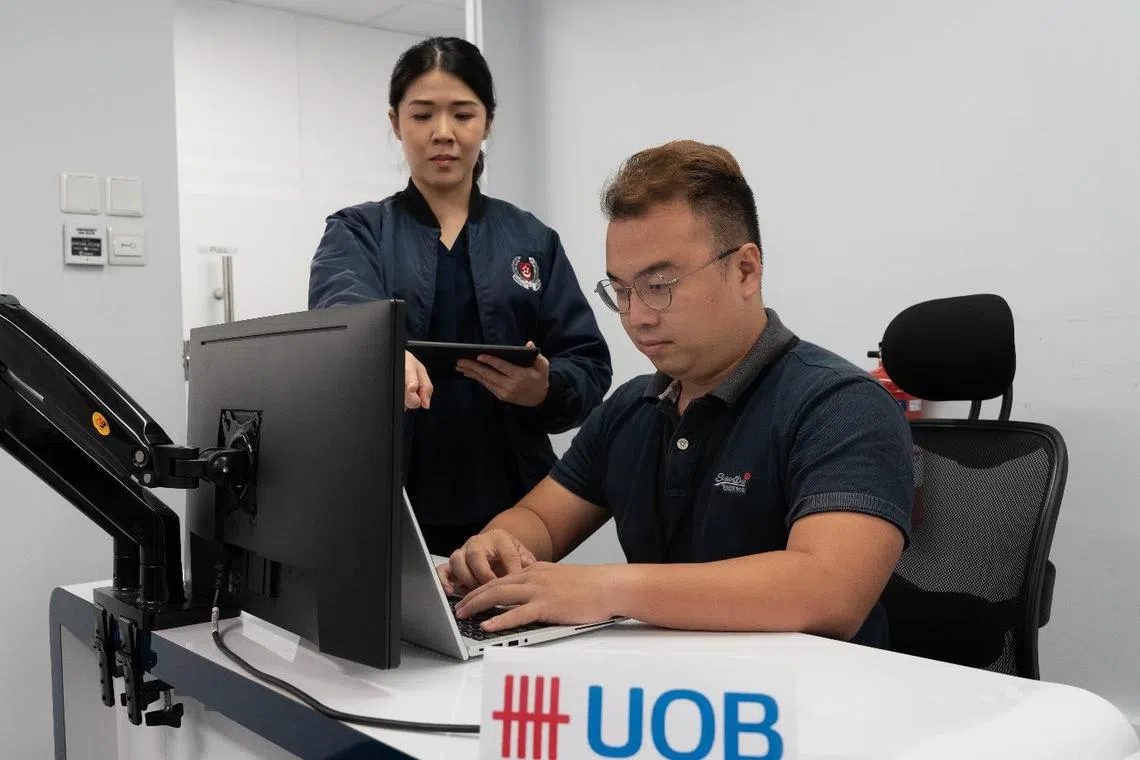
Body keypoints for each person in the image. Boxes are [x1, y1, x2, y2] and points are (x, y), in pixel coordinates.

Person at [441, 140, 913, 647]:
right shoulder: (631, 408)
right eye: (620, 291)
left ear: (746, 270)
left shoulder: (842, 406)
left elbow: (828, 592)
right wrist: (497, 545)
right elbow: (540, 519)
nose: (637, 316)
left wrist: (605, 587)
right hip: (669, 698)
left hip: (808, 709)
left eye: (660, 284)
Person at [308, 38, 611, 556]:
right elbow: (342, 306)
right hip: (390, 499)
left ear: (487, 122)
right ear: (395, 122)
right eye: (422, 115)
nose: (443, 133)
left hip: (515, 508)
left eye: (463, 115)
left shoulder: (533, 240)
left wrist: (544, 388)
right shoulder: (358, 232)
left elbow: (587, 363)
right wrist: (381, 353)